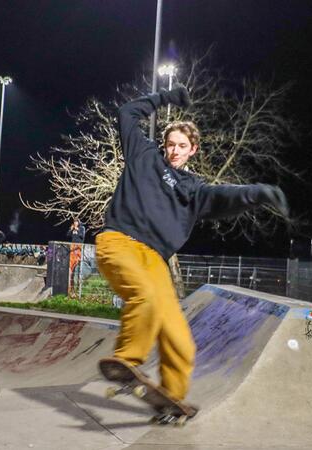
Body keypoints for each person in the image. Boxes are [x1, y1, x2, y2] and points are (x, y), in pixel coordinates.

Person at [95, 85, 288, 416]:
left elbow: (223, 196)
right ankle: (126, 361)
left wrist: (258, 193)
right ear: (163, 145)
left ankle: (171, 398)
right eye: (170, 144)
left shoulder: (193, 190)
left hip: (156, 260)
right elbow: (127, 113)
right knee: (145, 298)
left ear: (192, 150)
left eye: (181, 146)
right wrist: (164, 99)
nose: (174, 151)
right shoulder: (143, 155)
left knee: (178, 335)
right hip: (118, 242)